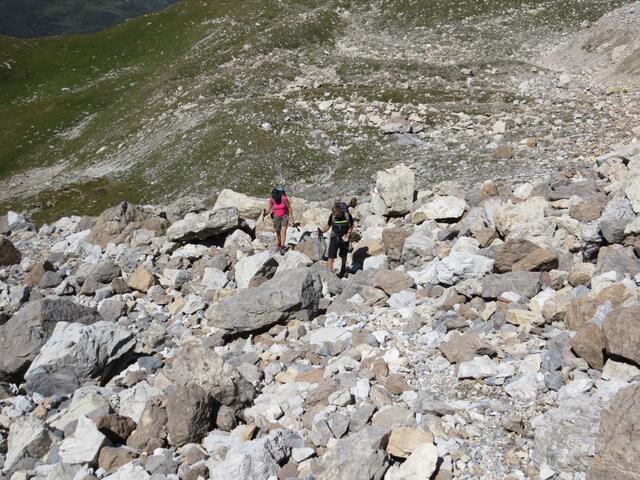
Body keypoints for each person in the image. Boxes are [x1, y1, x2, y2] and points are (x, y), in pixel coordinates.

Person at [318, 201, 354, 277]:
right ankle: (328, 274)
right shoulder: (332, 216)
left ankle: (343, 269)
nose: (335, 215)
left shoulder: (347, 216)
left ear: (340, 211)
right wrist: (322, 231)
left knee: (343, 255)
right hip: (334, 237)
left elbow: (351, 225)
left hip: (344, 237)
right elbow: (328, 225)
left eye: (336, 213)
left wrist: (349, 233)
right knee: (331, 256)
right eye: (334, 213)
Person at [266, 187, 294, 252]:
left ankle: (282, 246)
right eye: (273, 197)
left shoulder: (284, 198)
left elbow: (289, 208)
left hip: (284, 216)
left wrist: (292, 219)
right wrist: (264, 213)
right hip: (276, 216)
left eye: (276, 197)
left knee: (283, 230)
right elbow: (268, 210)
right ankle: (279, 243)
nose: (275, 198)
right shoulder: (271, 200)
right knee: (278, 232)